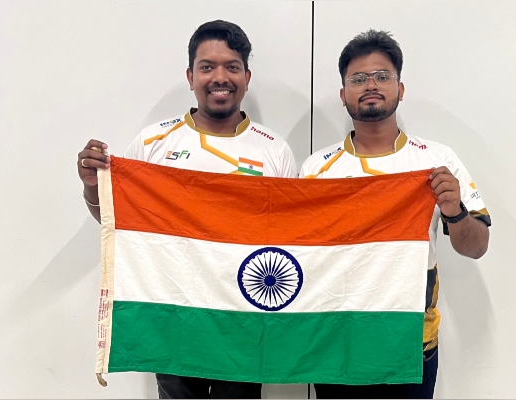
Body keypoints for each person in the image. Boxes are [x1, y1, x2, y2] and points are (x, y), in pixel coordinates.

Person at [76, 20, 297, 399]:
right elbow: (123, 224)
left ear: (246, 77)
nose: (220, 77)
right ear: (191, 76)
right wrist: (93, 187)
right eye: (207, 67)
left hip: (244, 320)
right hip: (173, 316)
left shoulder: (274, 150)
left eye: (231, 67)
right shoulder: (152, 143)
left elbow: (289, 239)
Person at [300, 29, 492, 399]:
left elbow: (477, 246)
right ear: (343, 94)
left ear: (400, 88)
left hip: (410, 341)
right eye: (358, 78)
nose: (371, 85)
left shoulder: (436, 161)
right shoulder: (316, 169)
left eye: (382, 76)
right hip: (337, 341)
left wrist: (454, 211)